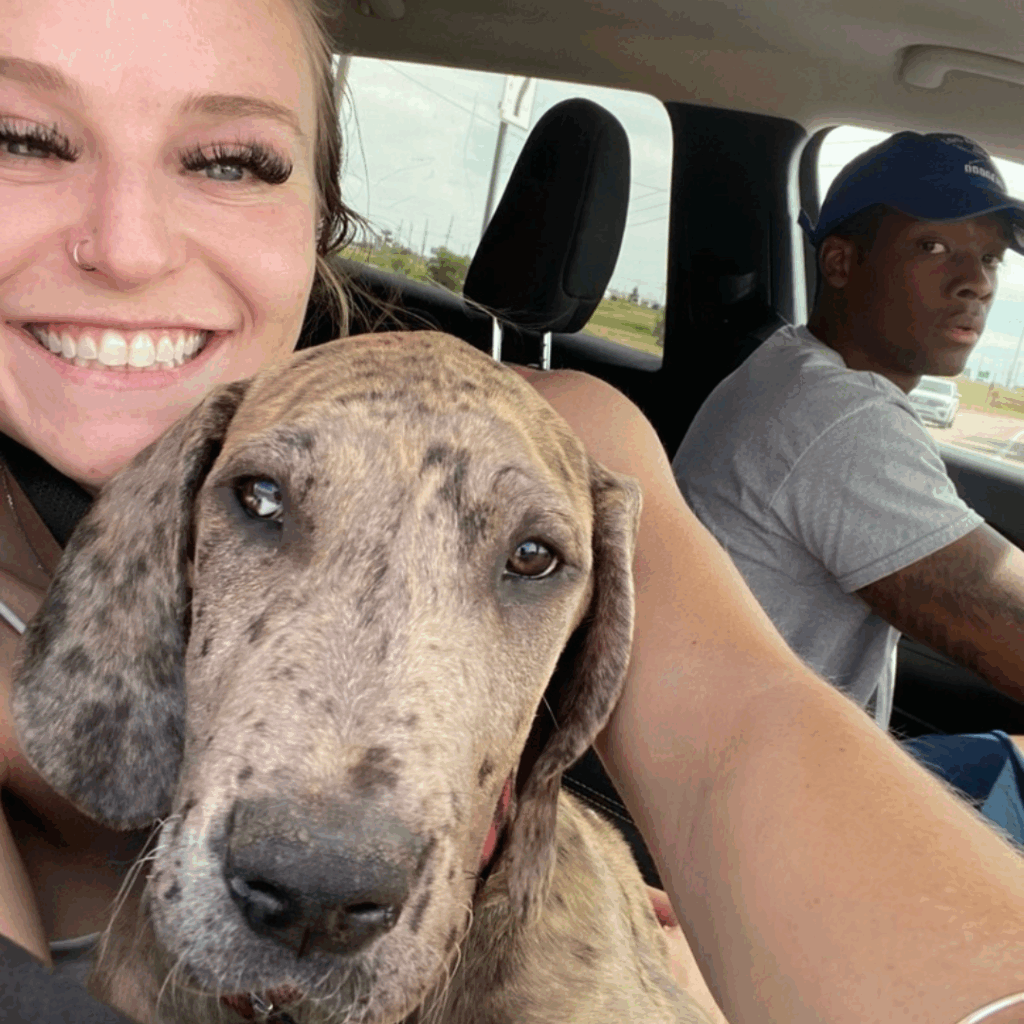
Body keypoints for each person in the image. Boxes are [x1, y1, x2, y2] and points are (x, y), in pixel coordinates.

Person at [0, 5, 1021, 1023]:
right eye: (21, 139)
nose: (128, 248)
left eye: (230, 160)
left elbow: (739, 730)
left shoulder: (555, 438)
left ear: (319, 215)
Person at [672, 133, 1024, 837]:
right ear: (840, 262)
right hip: (752, 811)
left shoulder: (791, 369)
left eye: (989, 257)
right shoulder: (840, 418)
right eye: (933, 246)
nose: (976, 282)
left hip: (761, 760)